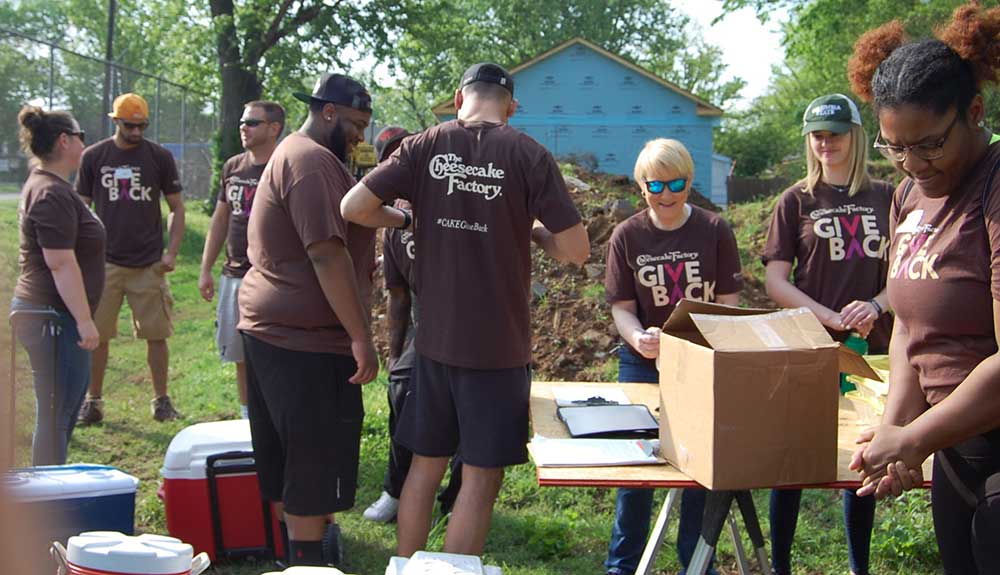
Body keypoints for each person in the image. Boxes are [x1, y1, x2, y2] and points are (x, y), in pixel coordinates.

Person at [341, 62, 589, 556]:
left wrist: (403, 218)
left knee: (424, 466)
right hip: (497, 349)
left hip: (433, 343)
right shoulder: (529, 155)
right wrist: (533, 232)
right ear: (511, 107)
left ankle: (407, 568)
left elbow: (353, 207)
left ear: (459, 99)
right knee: (479, 476)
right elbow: (578, 249)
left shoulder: (422, 145)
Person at [844, 3, 1000, 574]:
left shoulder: (994, 189)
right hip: (957, 452)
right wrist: (896, 430)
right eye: (895, 147)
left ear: (975, 112)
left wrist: (915, 440)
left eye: (930, 144)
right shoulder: (909, 195)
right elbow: (909, 326)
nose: (913, 164)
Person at [237, 73, 378, 567]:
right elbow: (326, 255)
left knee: (291, 454)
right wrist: (361, 336)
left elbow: (354, 215)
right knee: (310, 460)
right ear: (330, 113)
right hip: (304, 340)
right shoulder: (312, 163)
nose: (361, 135)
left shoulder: (302, 154)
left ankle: (300, 552)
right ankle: (307, 563)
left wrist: (401, 218)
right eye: (357, 123)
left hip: (275, 328)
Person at [761, 94, 894, 575]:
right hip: (809, 347)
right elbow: (776, 280)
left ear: (855, 136)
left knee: (863, 457)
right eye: (817, 134)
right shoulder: (795, 200)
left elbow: (908, 272)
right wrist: (828, 316)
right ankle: (779, 566)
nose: (825, 142)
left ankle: (860, 566)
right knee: (792, 459)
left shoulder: (887, 196)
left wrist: (876, 305)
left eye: (835, 133)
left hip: (871, 351)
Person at [603, 138, 742, 575]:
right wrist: (638, 337)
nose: (666, 194)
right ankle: (622, 566)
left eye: (676, 183)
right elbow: (622, 308)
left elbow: (729, 304)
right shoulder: (627, 235)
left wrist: (691, 340)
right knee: (637, 469)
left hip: (702, 360)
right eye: (655, 185)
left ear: (690, 180)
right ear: (641, 185)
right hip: (644, 361)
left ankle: (695, 561)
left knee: (699, 465)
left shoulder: (714, 230)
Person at [362, 126, 464, 524]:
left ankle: (455, 498)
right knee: (402, 391)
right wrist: (393, 352)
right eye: (388, 160)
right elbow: (399, 294)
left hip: (475, 318)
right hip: (426, 321)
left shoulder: (455, 201)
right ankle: (396, 488)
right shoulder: (392, 223)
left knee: (466, 411)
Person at [75, 92, 185, 423]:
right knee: (97, 336)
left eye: (141, 126)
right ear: (115, 121)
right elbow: (81, 208)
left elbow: (177, 208)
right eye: (129, 126)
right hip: (104, 263)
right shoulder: (94, 157)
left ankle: (161, 401)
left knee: (157, 334)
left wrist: (171, 252)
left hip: (148, 262)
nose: (136, 133)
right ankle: (92, 401)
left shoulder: (159, 157)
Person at [10, 106, 105, 465]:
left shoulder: (50, 186)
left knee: (59, 413)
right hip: (54, 318)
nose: (84, 144)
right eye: (80, 137)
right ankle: (47, 502)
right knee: (57, 414)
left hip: (53, 316)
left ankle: (49, 491)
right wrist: (84, 320)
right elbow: (60, 262)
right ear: (65, 141)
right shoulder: (51, 193)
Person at [198, 100, 284, 419]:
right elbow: (221, 219)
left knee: (273, 351)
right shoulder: (233, 166)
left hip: (271, 277)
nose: (243, 128)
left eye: (251, 123)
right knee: (239, 353)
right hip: (234, 275)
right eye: (242, 122)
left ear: (274, 128)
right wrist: (206, 268)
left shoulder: (284, 166)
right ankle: (247, 416)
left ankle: (274, 413)